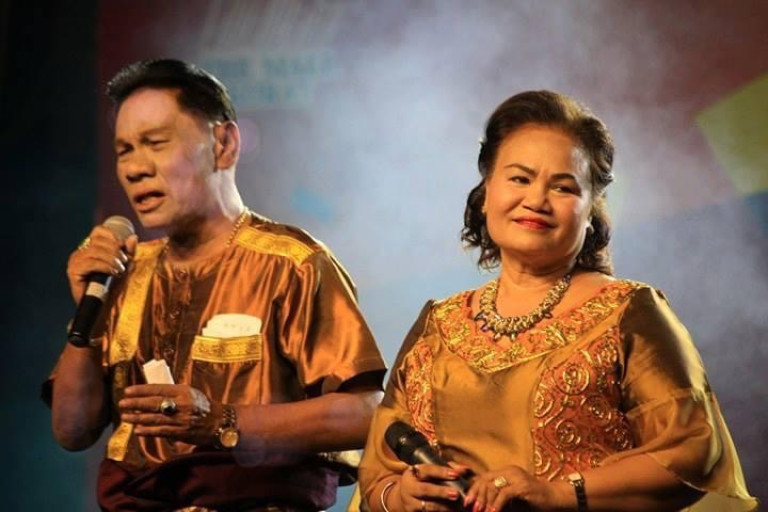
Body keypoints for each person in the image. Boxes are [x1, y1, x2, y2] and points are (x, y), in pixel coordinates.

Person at [358, 91, 757, 511]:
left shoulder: (629, 311)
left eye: (563, 187)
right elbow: (379, 471)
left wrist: (558, 492)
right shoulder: (437, 322)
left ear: (591, 211)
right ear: (487, 191)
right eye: (519, 179)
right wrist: (399, 496)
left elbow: (690, 454)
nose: (536, 200)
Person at [43, 59, 387, 512]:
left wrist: (223, 421)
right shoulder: (124, 275)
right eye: (124, 150)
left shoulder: (293, 264)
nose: (134, 168)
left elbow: (366, 412)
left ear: (224, 144)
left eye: (156, 143)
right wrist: (85, 322)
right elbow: (71, 431)